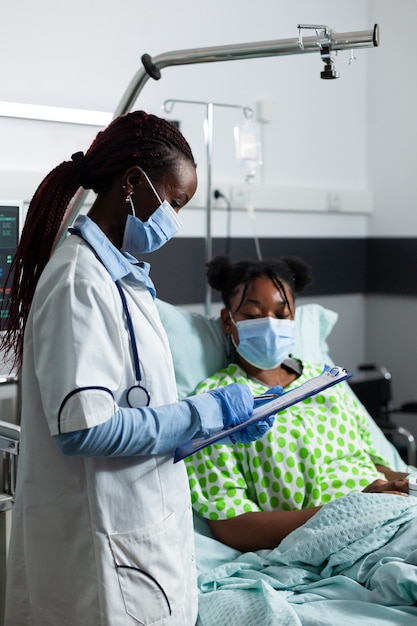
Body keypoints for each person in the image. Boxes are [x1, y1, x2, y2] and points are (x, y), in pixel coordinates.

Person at [0, 112, 275, 626]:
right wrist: (204, 411)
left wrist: (214, 425)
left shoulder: (124, 279)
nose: (174, 219)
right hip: (101, 554)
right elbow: (85, 428)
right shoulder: (80, 282)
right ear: (131, 184)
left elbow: (141, 409)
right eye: (174, 202)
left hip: (140, 534)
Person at [185, 255, 411, 553]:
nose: (270, 325)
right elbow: (233, 524)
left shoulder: (326, 380)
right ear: (228, 321)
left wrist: (403, 484)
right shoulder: (217, 401)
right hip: (336, 535)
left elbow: (375, 464)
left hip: (396, 512)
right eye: (253, 316)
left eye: (282, 315)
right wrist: (352, 508)